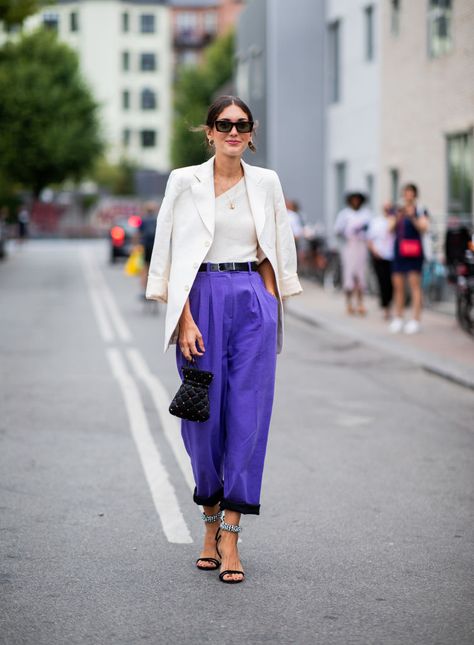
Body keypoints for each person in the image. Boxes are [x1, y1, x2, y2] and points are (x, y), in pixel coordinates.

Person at [145, 95, 302, 584]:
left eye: (242, 125)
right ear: (209, 132)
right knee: (202, 420)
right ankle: (208, 521)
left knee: (248, 416)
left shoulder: (267, 182)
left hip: (252, 298)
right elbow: (168, 249)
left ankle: (230, 535)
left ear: (251, 134)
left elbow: (279, 244)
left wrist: (270, 302)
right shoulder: (183, 181)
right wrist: (184, 318)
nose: (233, 131)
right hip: (201, 300)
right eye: (223, 124)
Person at [388, 183, 429, 334]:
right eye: (406, 193)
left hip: (414, 251)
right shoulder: (397, 210)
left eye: (411, 193)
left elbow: (424, 228)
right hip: (399, 251)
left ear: (415, 195)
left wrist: (412, 217)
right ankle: (398, 317)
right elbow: (389, 228)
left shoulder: (420, 210)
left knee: (414, 286)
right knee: (398, 286)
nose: (408, 195)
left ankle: (415, 319)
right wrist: (399, 216)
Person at [334, 192, 371, 315]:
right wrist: (346, 233)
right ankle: (349, 302)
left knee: (360, 275)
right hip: (350, 246)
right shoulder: (345, 214)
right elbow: (337, 230)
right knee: (349, 275)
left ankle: (360, 303)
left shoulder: (366, 214)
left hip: (361, 246)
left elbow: (370, 230)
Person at [367, 203, 395, 319]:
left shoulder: (395, 221)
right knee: (383, 283)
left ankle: (390, 305)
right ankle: (385, 308)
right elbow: (369, 239)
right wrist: (374, 251)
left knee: (392, 284)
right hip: (379, 256)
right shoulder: (376, 222)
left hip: (393, 257)